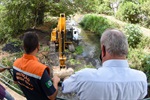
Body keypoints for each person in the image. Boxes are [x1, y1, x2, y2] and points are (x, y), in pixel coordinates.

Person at [62, 29, 147, 100]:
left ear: (103, 50)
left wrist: (66, 75)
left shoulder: (84, 77)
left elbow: (65, 87)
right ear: (126, 49)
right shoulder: (141, 79)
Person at [13, 32, 60, 100]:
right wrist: (55, 81)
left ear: (24, 47)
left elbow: (15, 81)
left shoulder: (16, 64)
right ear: (38, 46)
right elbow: (52, 96)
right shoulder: (40, 70)